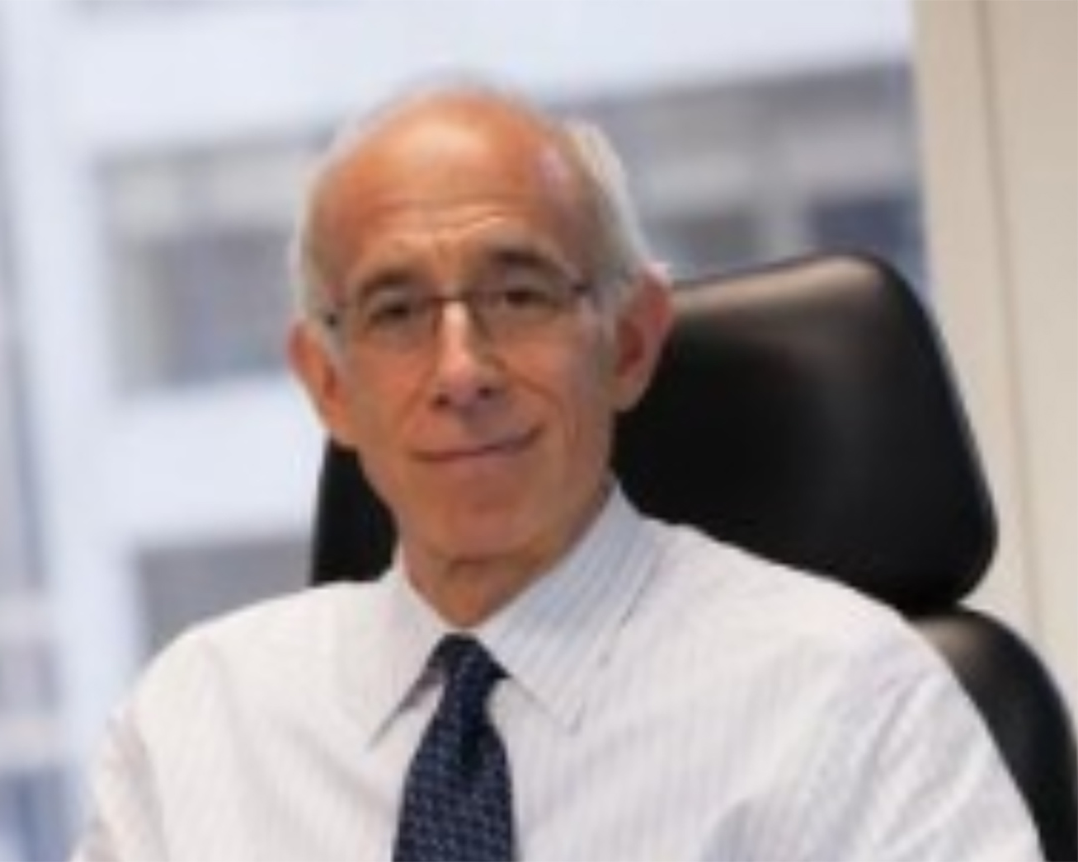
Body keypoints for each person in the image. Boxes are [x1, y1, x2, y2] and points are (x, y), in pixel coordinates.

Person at [72, 80, 1041, 861]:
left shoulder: (851, 701)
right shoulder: (195, 721)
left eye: (519, 293)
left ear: (627, 344)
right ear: (329, 383)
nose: (461, 371)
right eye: (397, 312)